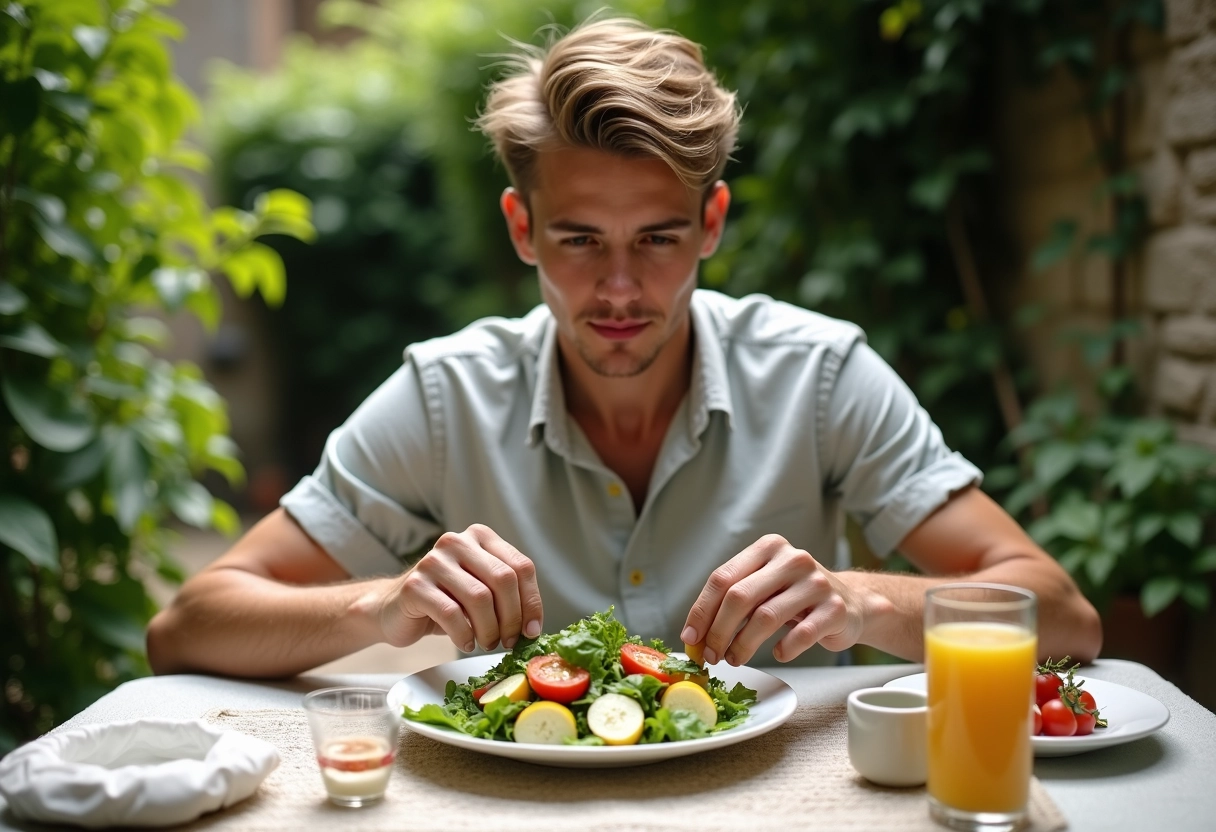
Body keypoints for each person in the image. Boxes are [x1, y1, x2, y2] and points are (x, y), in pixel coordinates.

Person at [147, 18, 1102, 678]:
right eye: (578, 241)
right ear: (523, 229)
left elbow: (1060, 614)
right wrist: (382, 608)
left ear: (712, 222)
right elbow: (188, 626)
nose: (617, 291)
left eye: (657, 239)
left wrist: (862, 603)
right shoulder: (444, 397)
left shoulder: (819, 373)